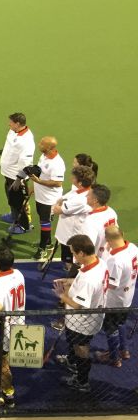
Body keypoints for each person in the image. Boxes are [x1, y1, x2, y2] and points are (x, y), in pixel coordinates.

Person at [53, 234, 107, 392]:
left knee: (81, 349)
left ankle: (82, 381)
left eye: (74, 253)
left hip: (83, 322)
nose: (74, 258)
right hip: (89, 318)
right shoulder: (100, 263)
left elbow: (78, 305)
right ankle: (71, 360)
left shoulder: (88, 279)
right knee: (74, 344)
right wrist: (69, 281)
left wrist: (61, 295)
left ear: (82, 252)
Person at [0, 244, 25, 408]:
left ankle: (8, 395)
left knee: (1, 363)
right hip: (17, 324)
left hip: (4, 330)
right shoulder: (18, 273)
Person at [95, 226, 137, 367]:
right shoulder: (132, 247)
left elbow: (112, 284)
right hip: (128, 297)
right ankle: (124, 350)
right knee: (121, 323)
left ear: (107, 240)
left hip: (114, 300)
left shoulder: (115, 259)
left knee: (110, 328)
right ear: (122, 234)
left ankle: (114, 357)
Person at [53, 165, 95, 273]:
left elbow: (57, 209)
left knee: (74, 262)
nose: (71, 179)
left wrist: (59, 205)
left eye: (74, 177)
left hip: (72, 235)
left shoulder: (80, 199)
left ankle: (72, 275)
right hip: (68, 233)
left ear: (80, 182)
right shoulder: (80, 191)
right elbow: (60, 200)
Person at [29, 136, 65, 261]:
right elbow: (41, 173)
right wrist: (34, 186)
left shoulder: (57, 163)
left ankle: (42, 248)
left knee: (45, 222)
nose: (39, 144)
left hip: (49, 199)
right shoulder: (43, 156)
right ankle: (48, 242)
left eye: (42, 143)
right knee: (43, 219)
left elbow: (57, 182)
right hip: (41, 196)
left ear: (49, 147)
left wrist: (38, 181)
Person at [0, 113, 35, 235]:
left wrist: (20, 179)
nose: (9, 124)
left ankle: (24, 225)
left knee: (18, 201)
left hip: (16, 177)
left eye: (11, 122)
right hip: (8, 174)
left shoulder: (27, 141)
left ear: (18, 124)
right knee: (10, 196)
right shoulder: (13, 131)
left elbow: (26, 162)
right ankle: (14, 216)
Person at [81, 184, 118, 257]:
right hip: (110, 254)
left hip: (98, 259)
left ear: (95, 200)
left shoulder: (91, 220)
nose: (86, 196)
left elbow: (88, 247)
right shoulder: (111, 211)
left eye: (88, 195)